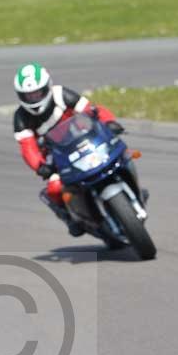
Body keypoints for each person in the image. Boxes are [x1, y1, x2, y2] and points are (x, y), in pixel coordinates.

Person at [13, 62, 126, 236]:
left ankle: (129, 183)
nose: (34, 99)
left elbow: (92, 111)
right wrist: (40, 166)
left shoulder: (61, 95)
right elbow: (28, 148)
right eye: (29, 96)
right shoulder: (20, 117)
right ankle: (69, 217)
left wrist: (109, 122)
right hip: (55, 156)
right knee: (55, 187)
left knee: (119, 152)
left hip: (83, 139)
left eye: (37, 93)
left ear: (47, 87)